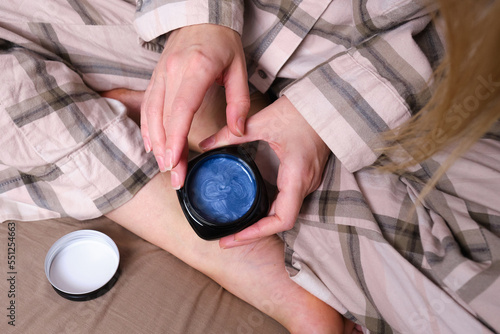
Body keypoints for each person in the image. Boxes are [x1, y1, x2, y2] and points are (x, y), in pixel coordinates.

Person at [1, 0, 499, 333]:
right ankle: (211, 236)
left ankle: (209, 139)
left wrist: (322, 116)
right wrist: (201, 18)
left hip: (404, 62)